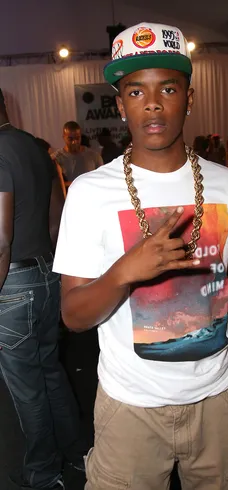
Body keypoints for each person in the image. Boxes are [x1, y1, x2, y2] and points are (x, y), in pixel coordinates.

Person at [53, 22, 228, 490]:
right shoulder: (88, 192)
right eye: (136, 91)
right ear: (121, 106)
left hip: (220, 404)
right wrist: (124, 274)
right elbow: (73, 316)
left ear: (189, 97)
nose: (153, 103)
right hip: (128, 410)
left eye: (168, 88)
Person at [0, 91, 85, 490]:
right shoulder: (36, 148)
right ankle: (79, 455)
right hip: (47, 273)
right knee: (50, 373)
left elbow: (1, 240)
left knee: (28, 388)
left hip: (12, 282)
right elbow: (56, 221)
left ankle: (43, 473)